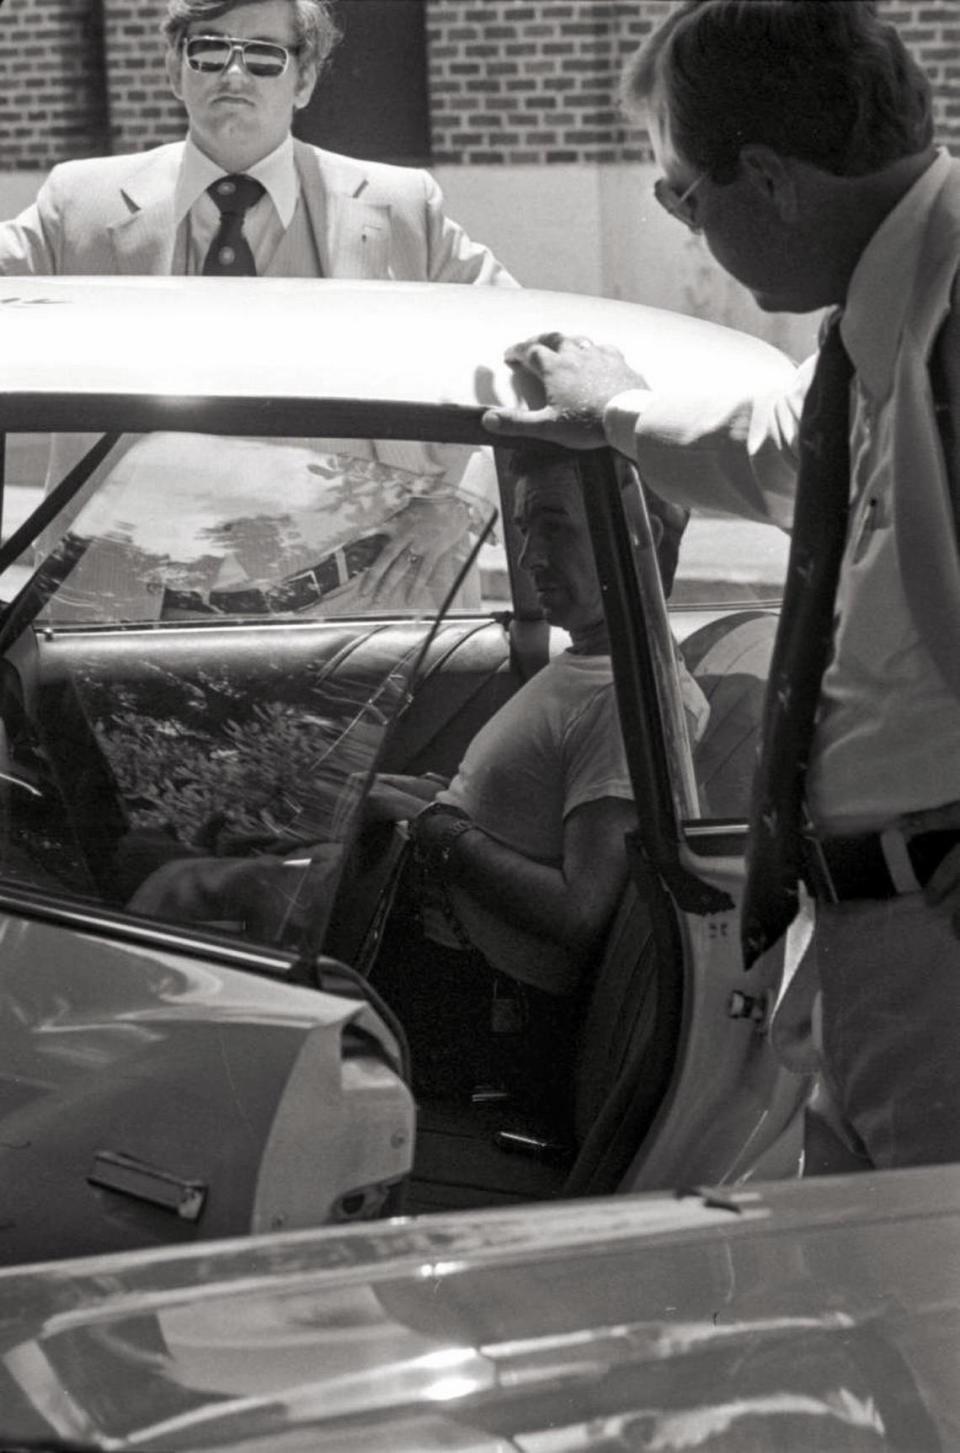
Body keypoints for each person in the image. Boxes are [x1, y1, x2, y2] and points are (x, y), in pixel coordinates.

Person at [484, 0, 960, 1173]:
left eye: (680, 196)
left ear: (769, 177)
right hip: (867, 935)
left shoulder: (942, 326)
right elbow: (786, 450)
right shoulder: (884, 317)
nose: (686, 229)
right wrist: (613, 410)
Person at [130, 447, 706, 1104]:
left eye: (554, 526)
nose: (529, 558)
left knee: (173, 892)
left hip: (459, 999)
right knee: (166, 857)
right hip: (421, 936)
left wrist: (437, 830)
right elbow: (521, 814)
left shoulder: (621, 700)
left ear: (639, 535)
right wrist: (404, 800)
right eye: (524, 531)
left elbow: (578, 910)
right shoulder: (587, 668)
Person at [0, 0, 516, 604]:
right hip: (135, 606)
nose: (234, 75)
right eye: (209, 51)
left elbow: (530, 352)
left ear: (304, 80)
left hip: (362, 603)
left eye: (265, 56)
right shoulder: (81, 207)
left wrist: (465, 498)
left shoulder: (402, 207)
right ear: (175, 70)